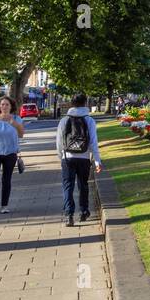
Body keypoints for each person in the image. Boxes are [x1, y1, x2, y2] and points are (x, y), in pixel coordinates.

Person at [56, 93, 102, 226]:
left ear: (72, 103)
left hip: (68, 158)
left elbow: (59, 142)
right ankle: (84, 211)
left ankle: (69, 215)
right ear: (85, 103)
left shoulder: (64, 120)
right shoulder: (89, 120)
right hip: (84, 158)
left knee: (68, 186)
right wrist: (97, 160)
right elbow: (93, 142)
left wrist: (61, 157)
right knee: (83, 185)